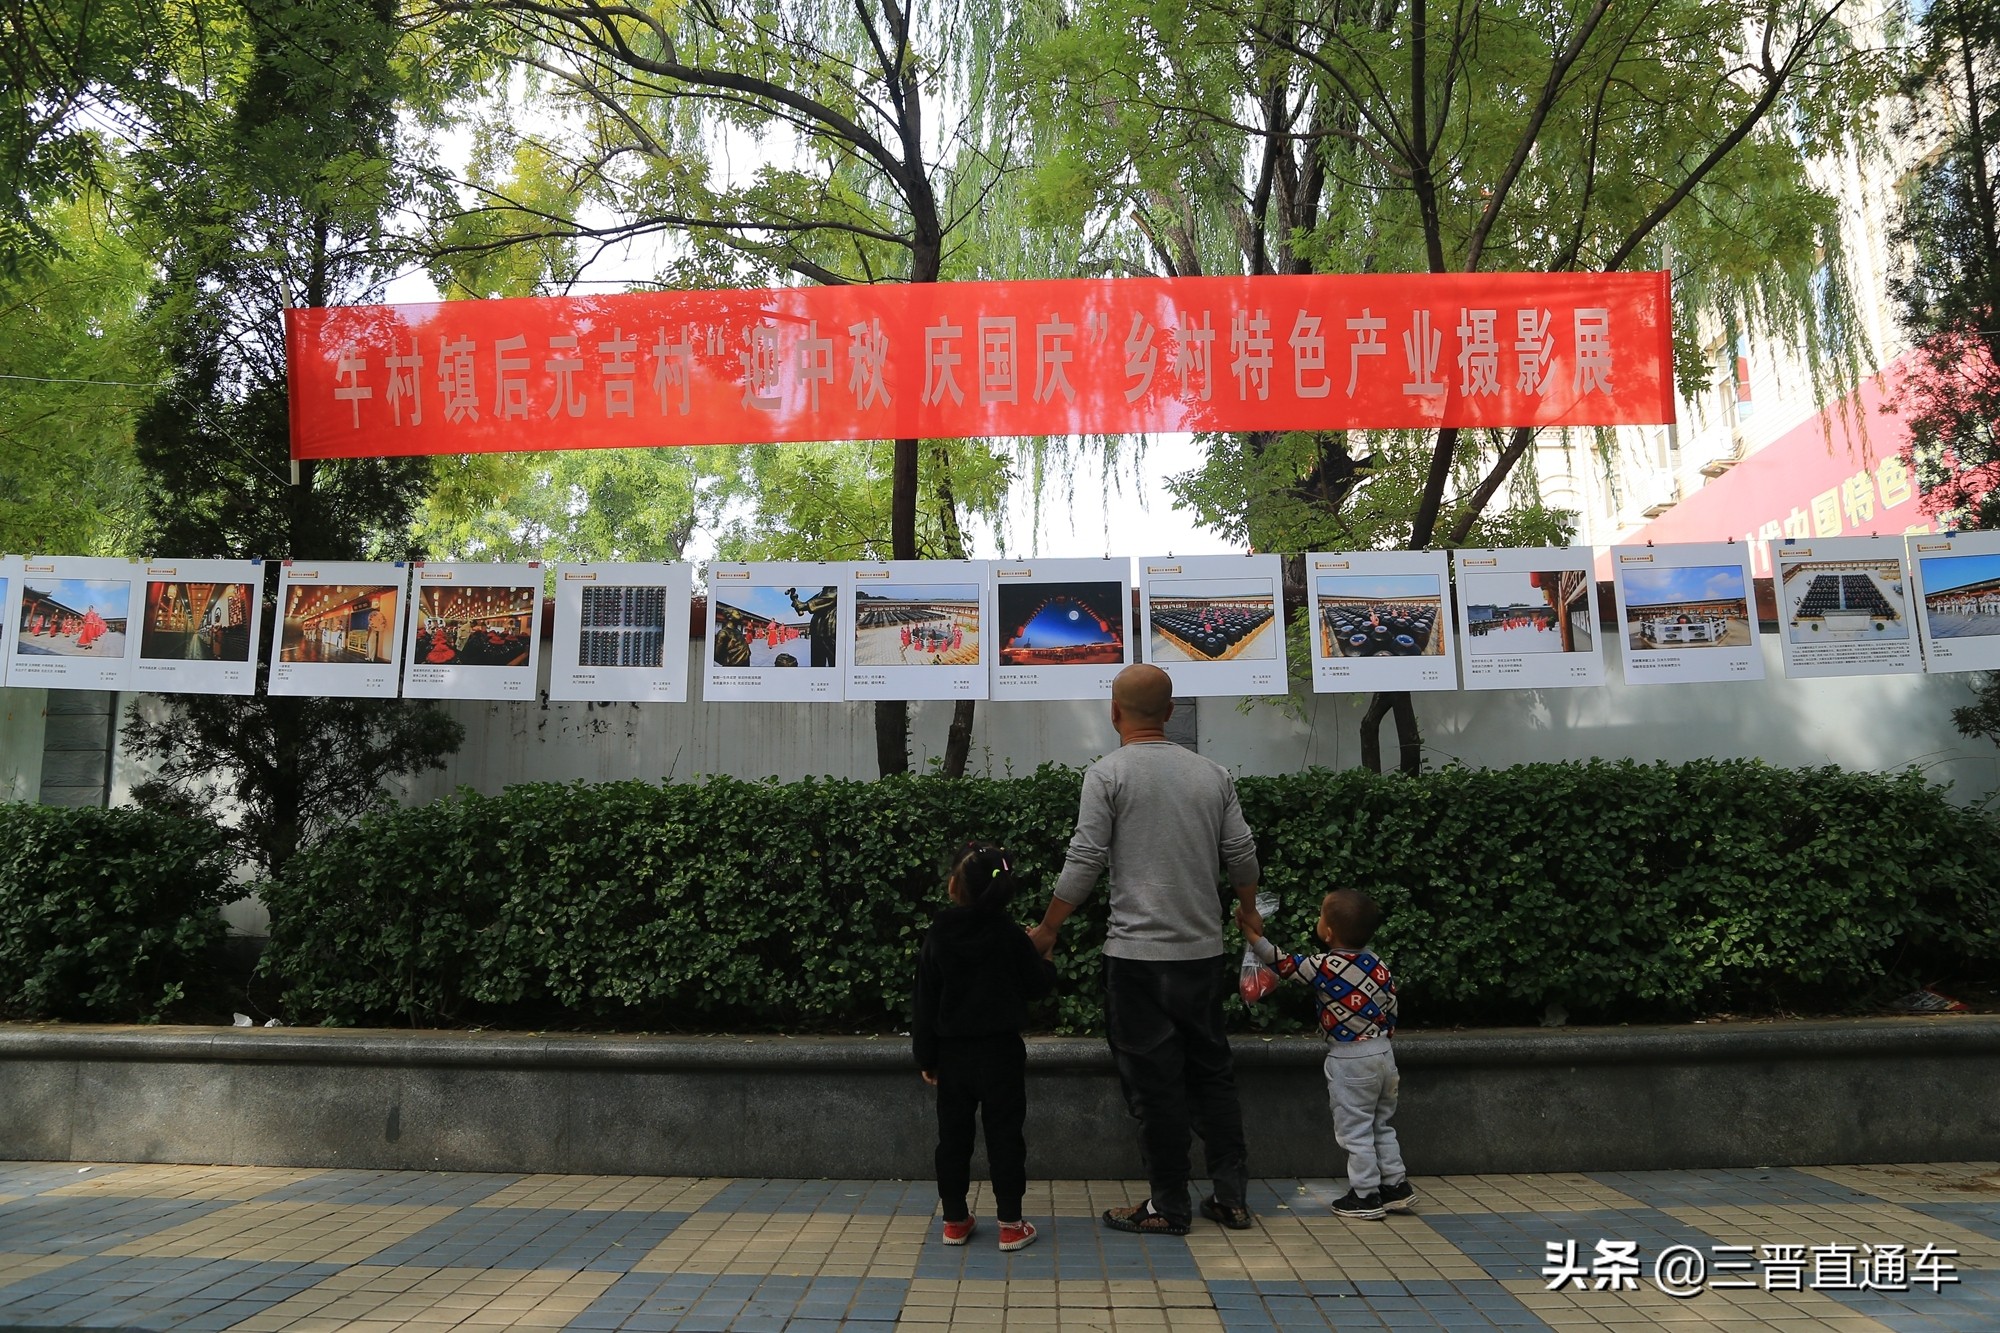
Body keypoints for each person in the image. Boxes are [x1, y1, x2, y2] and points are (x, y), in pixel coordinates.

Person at [1028, 662, 1261, 1236]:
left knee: (1155, 1086)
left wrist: (1049, 928)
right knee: (1212, 1074)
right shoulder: (1213, 774)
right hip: (1202, 954)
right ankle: (1231, 1198)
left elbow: (1085, 859)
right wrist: (1248, 909)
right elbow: (1241, 853)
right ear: (1170, 711)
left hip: (1135, 960)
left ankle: (1168, 1205)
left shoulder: (1108, 774)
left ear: (1114, 713)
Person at [913, 841, 1056, 1252]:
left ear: (953, 886)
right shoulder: (1009, 935)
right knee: (1005, 1136)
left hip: (953, 1055)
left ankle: (955, 1220)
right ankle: (1010, 1223)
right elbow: (1036, 986)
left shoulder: (939, 934)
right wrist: (1046, 957)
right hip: (1001, 1053)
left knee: (952, 1139)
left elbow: (925, 999)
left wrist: (927, 1056)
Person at [1243, 889, 1413, 1221]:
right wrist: (1383, 1037)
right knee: (1380, 1124)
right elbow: (1392, 1005)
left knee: (1355, 1130)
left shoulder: (1325, 965)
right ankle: (1396, 1186)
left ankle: (1365, 1195)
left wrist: (1252, 936)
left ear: (1329, 932)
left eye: (1321, 916)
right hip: (1383, 1053)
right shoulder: (1377, 964)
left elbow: (1284, 964)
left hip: (1349, 1059)